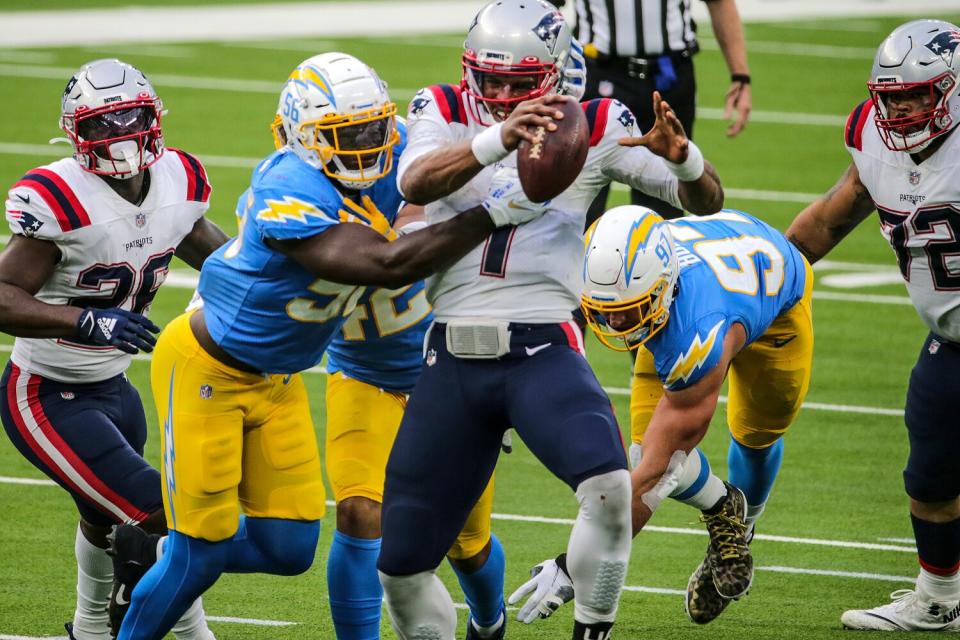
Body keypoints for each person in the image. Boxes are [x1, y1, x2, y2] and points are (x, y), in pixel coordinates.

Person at [108, 51, 551, 640]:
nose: (370, 144)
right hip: (211, 367)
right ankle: (145, 589)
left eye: (375, 127)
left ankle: (161, 552)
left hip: (286, 376)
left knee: (292, 547)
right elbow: (388, 263)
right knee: (207, 545)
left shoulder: (404, 150)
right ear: (303, 136)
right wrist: (493, 213)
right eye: (348, 133)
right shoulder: (287, 185)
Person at [376, 1, 725, 638]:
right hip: (451, 349)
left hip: (543, 342)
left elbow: (704, 201)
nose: (503, 94)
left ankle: (592, 630)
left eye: (520, 82)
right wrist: (497, 140)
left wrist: (683, 160)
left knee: (611, 487)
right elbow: (415, 180)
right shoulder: (443, 107)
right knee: (399, 565)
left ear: (557, 71)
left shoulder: (592, 121)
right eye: (491, 78)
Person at [0, 59, 228, 640]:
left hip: (117, 389)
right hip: (47, 392)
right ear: (76, 133)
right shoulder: (62, 198)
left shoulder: (177, 180)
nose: (120, 135)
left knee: (103, 518)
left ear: (153, 117)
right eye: (102, 125)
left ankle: (88, 629)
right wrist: (83, 321)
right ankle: (186, 630)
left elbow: (223, 261)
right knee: (161, 513)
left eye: (129, 118)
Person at [510, 205, 813, 626]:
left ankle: (740, 528)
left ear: (663, 288)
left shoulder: (696, 334)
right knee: (643, 453)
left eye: (627, 309)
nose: (614, 321)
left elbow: (651, 480)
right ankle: (725, 507)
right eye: (606, 307)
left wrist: (572, 568)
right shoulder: (626, 277)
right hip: (694, 289)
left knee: (752, 435)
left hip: (776, 308)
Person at [785, 19, 960, 632]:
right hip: (951, 339)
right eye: (892, 97)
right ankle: (939, 598)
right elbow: (833, 217)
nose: (903, 110)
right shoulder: (873, 137)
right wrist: (768, 271)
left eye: (917, 95)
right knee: (930, 474)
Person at [322, 204, 505, 640]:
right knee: (358, 510)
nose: (360, 141)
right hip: (363, 374)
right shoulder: (299, 187)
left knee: (468, 546)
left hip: (450, 373)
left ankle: (489, 622)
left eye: (369, 129)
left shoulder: (420, 154)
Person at [570, 0, 752, 221]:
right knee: (579, 201)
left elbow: (719, 2)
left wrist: (740, 75)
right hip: (598, 75)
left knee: (667, 207)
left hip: (669, 80)